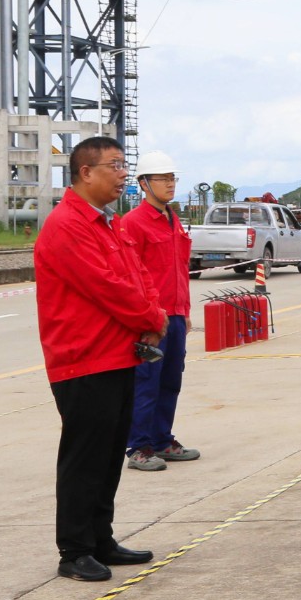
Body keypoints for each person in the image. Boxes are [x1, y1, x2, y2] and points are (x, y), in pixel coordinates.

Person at [34, 136, 168, 582]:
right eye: (114, 166)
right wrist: (151, 316)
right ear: (85, 172)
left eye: (124, 165)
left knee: (110, 455)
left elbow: (137, 275)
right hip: (83, 359)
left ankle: (100, 539)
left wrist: (154, 316)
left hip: (117, 355)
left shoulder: (107, 223)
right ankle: (73, 550)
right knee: (84, 457)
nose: (123, 174)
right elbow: (107, 287)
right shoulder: (67, 225)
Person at [119, 151, 200, 471]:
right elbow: (129, 275)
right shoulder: (133, 223)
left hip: (176, 315)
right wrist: (144, 318)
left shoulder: (172, 218)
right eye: (162, 179)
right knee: (146, 382)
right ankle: (139, 447)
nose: (170, 184)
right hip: (151, 320)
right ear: (143, 184)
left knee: (170, 380)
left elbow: (179, 268)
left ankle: (163, 440)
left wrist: (185, 311)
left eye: (172, 178)